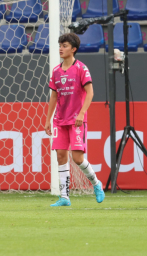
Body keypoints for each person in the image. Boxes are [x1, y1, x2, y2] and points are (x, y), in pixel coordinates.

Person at [45, 33, 105, 207]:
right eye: (60, 45)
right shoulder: (56, 71)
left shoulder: (81, 68)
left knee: (78, 158)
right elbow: (53, 97)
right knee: (61, 155)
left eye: (64, 45)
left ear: (73, 49)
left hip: (77, 120)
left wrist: (82, 113)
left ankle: (96, 183)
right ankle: (64, 197)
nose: (61, 49)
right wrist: (48, 119)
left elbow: (90, 93)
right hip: (59, 120)